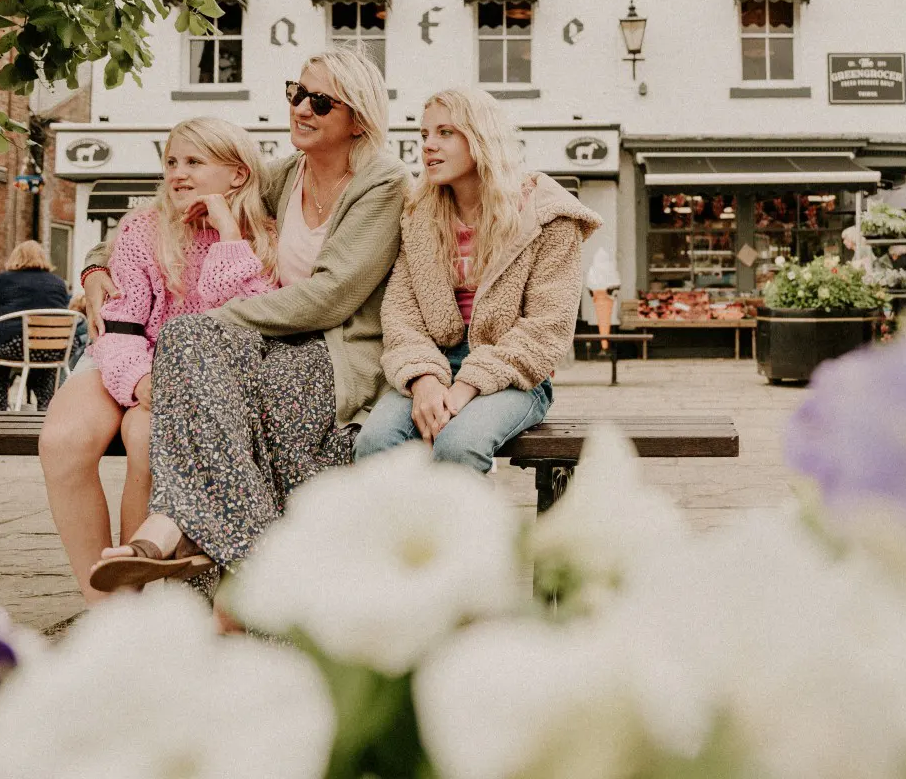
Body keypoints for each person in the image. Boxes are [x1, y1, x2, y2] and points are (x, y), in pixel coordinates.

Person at [79, 47, 407, 596]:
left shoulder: (383, 181)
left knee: (192, 336)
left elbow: (332, 296)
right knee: (192, 347)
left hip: (339, 350)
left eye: (320, 101)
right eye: (295, 92)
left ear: (358, 119)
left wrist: (219, 319)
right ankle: (209, 541)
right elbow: (165, 209)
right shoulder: (286, 176)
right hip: (275, 345)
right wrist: (96, 260)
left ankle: (187, 531)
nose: (301, 108)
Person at [37, 118, 280, 599]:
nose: (178, 174)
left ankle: (143, 587)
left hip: (203, 374)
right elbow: (121, 323)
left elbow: (239, 321)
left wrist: (228, 233)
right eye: (171, 162)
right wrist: (139, 380)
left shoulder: (265, 237)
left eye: (194, 162)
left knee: (144, 435)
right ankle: (107, 606)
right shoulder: (142, 228)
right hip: (125, 356)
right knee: (63, 441)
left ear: (237, 173)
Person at [355, 88, 601, 471]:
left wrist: (466, 386)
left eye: (445, 133)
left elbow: (547, 330)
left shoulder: (546, 216)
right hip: (433, 364)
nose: (428, 146)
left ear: (482, 137)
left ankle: (465, 532)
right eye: (424, 135)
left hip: (514, 376)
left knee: (458, 446)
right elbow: (402, 314)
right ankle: (402, 532)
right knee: (375, 443)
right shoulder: (419, 216)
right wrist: (423, 380)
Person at [0, 241, 74, 410]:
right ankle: (48, 406)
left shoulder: (4, 278)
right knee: (43, 359)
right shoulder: (58, 282)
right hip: (57, 347)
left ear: (16, 257)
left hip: (16, 345)